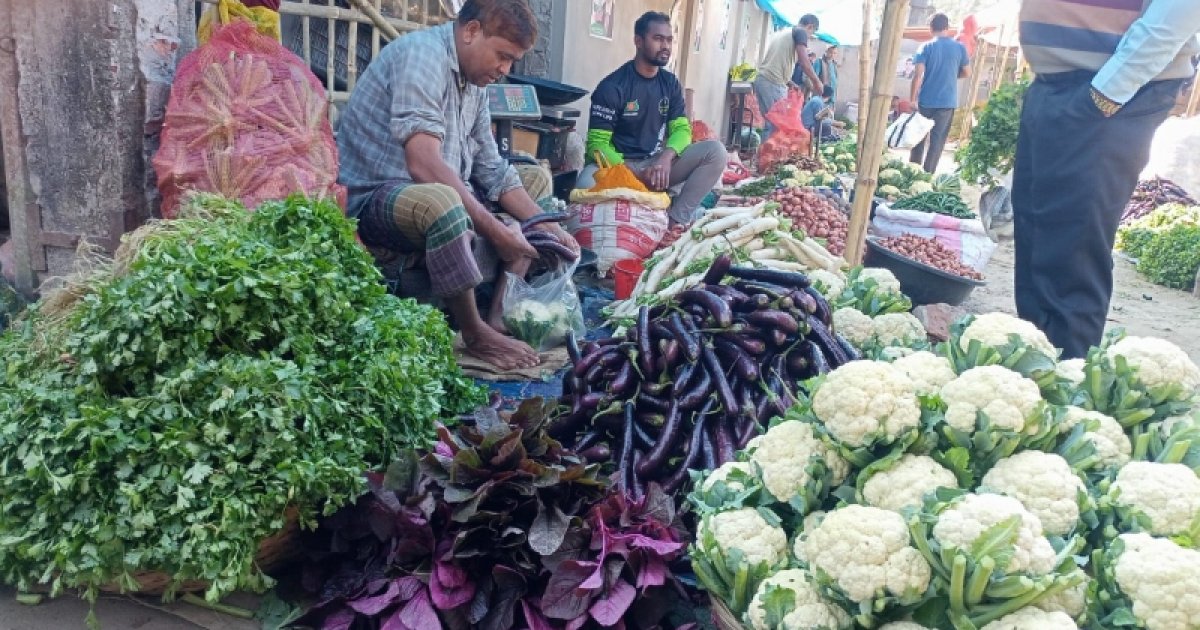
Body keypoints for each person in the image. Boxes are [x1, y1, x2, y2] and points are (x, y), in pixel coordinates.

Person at [336, 0, 579, 371]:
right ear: (471, 31)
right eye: (502, 56)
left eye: (512, 61)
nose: (505, 69)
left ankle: (498, 312)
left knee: (533, 178)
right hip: (377, 198)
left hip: (434, 191)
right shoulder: (422, 57)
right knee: (445, 200)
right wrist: (496, 229)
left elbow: (492, 168)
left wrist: (546, 223)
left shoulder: (475, 85)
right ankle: (475, 332)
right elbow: (423, 164)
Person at [1013, 0, 1200, 359]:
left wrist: (1104, 95)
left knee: (1070, 259)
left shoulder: (1102, 95)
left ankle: (1064, 392)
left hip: (1103, 92)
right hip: (1061, 85)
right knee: (1037, 242)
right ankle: (1039, 374)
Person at [580, 11, 726, 226]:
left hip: (654, 165)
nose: (665, 46)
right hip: (616, 166)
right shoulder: (613, 86)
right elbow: (597, 145)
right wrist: (633, 174)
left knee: (716, 152)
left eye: (669, 40)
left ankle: (675, 221)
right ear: (638, 41)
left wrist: (665, 159)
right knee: (583, 185)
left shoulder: (670, 84)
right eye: (657, 39)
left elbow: (682, 130)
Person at [908, 14, 970, 174]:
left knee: (918, 137)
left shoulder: (925, 47)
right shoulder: (960, 47)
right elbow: (966, 72)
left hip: (925, 101)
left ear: (931, 28)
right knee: (937, 142)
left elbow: (918, 76)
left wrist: (912, 99)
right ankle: (928, 176)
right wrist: (950, 75)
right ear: (947, 27)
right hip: (947, 102)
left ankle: (913, 173)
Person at [753, 14, 822, 142]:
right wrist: (817, 81)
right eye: (811, 34)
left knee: (770, 124)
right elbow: (804, 61)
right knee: (777, 125)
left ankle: (763, 158)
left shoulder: (784, 32)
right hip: (773, 83)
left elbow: (776, 61)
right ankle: (768, 160)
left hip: (763, 80)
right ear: (810, 26)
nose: (809, 38)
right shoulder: (801, 32)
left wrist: (789, 82)